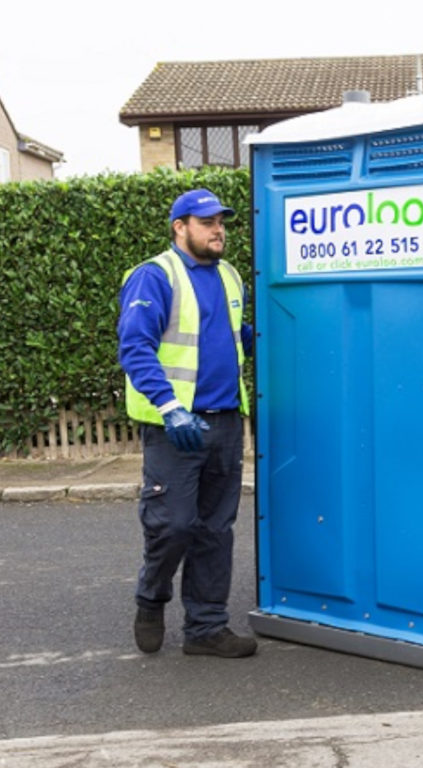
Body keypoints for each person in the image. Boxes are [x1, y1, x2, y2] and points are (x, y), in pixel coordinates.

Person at [118, 188, 256, 658]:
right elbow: (135, 347)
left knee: (215, 529)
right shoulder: (155, 276)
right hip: (175, 427)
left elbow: (236, 337)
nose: (218, 229)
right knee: (173, 524)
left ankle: (206, 628)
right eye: (206, 221)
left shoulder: (232, 276)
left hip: (223, 423)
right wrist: (169, 406)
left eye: (222, 221)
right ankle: (151, 598)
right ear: (180, 227)